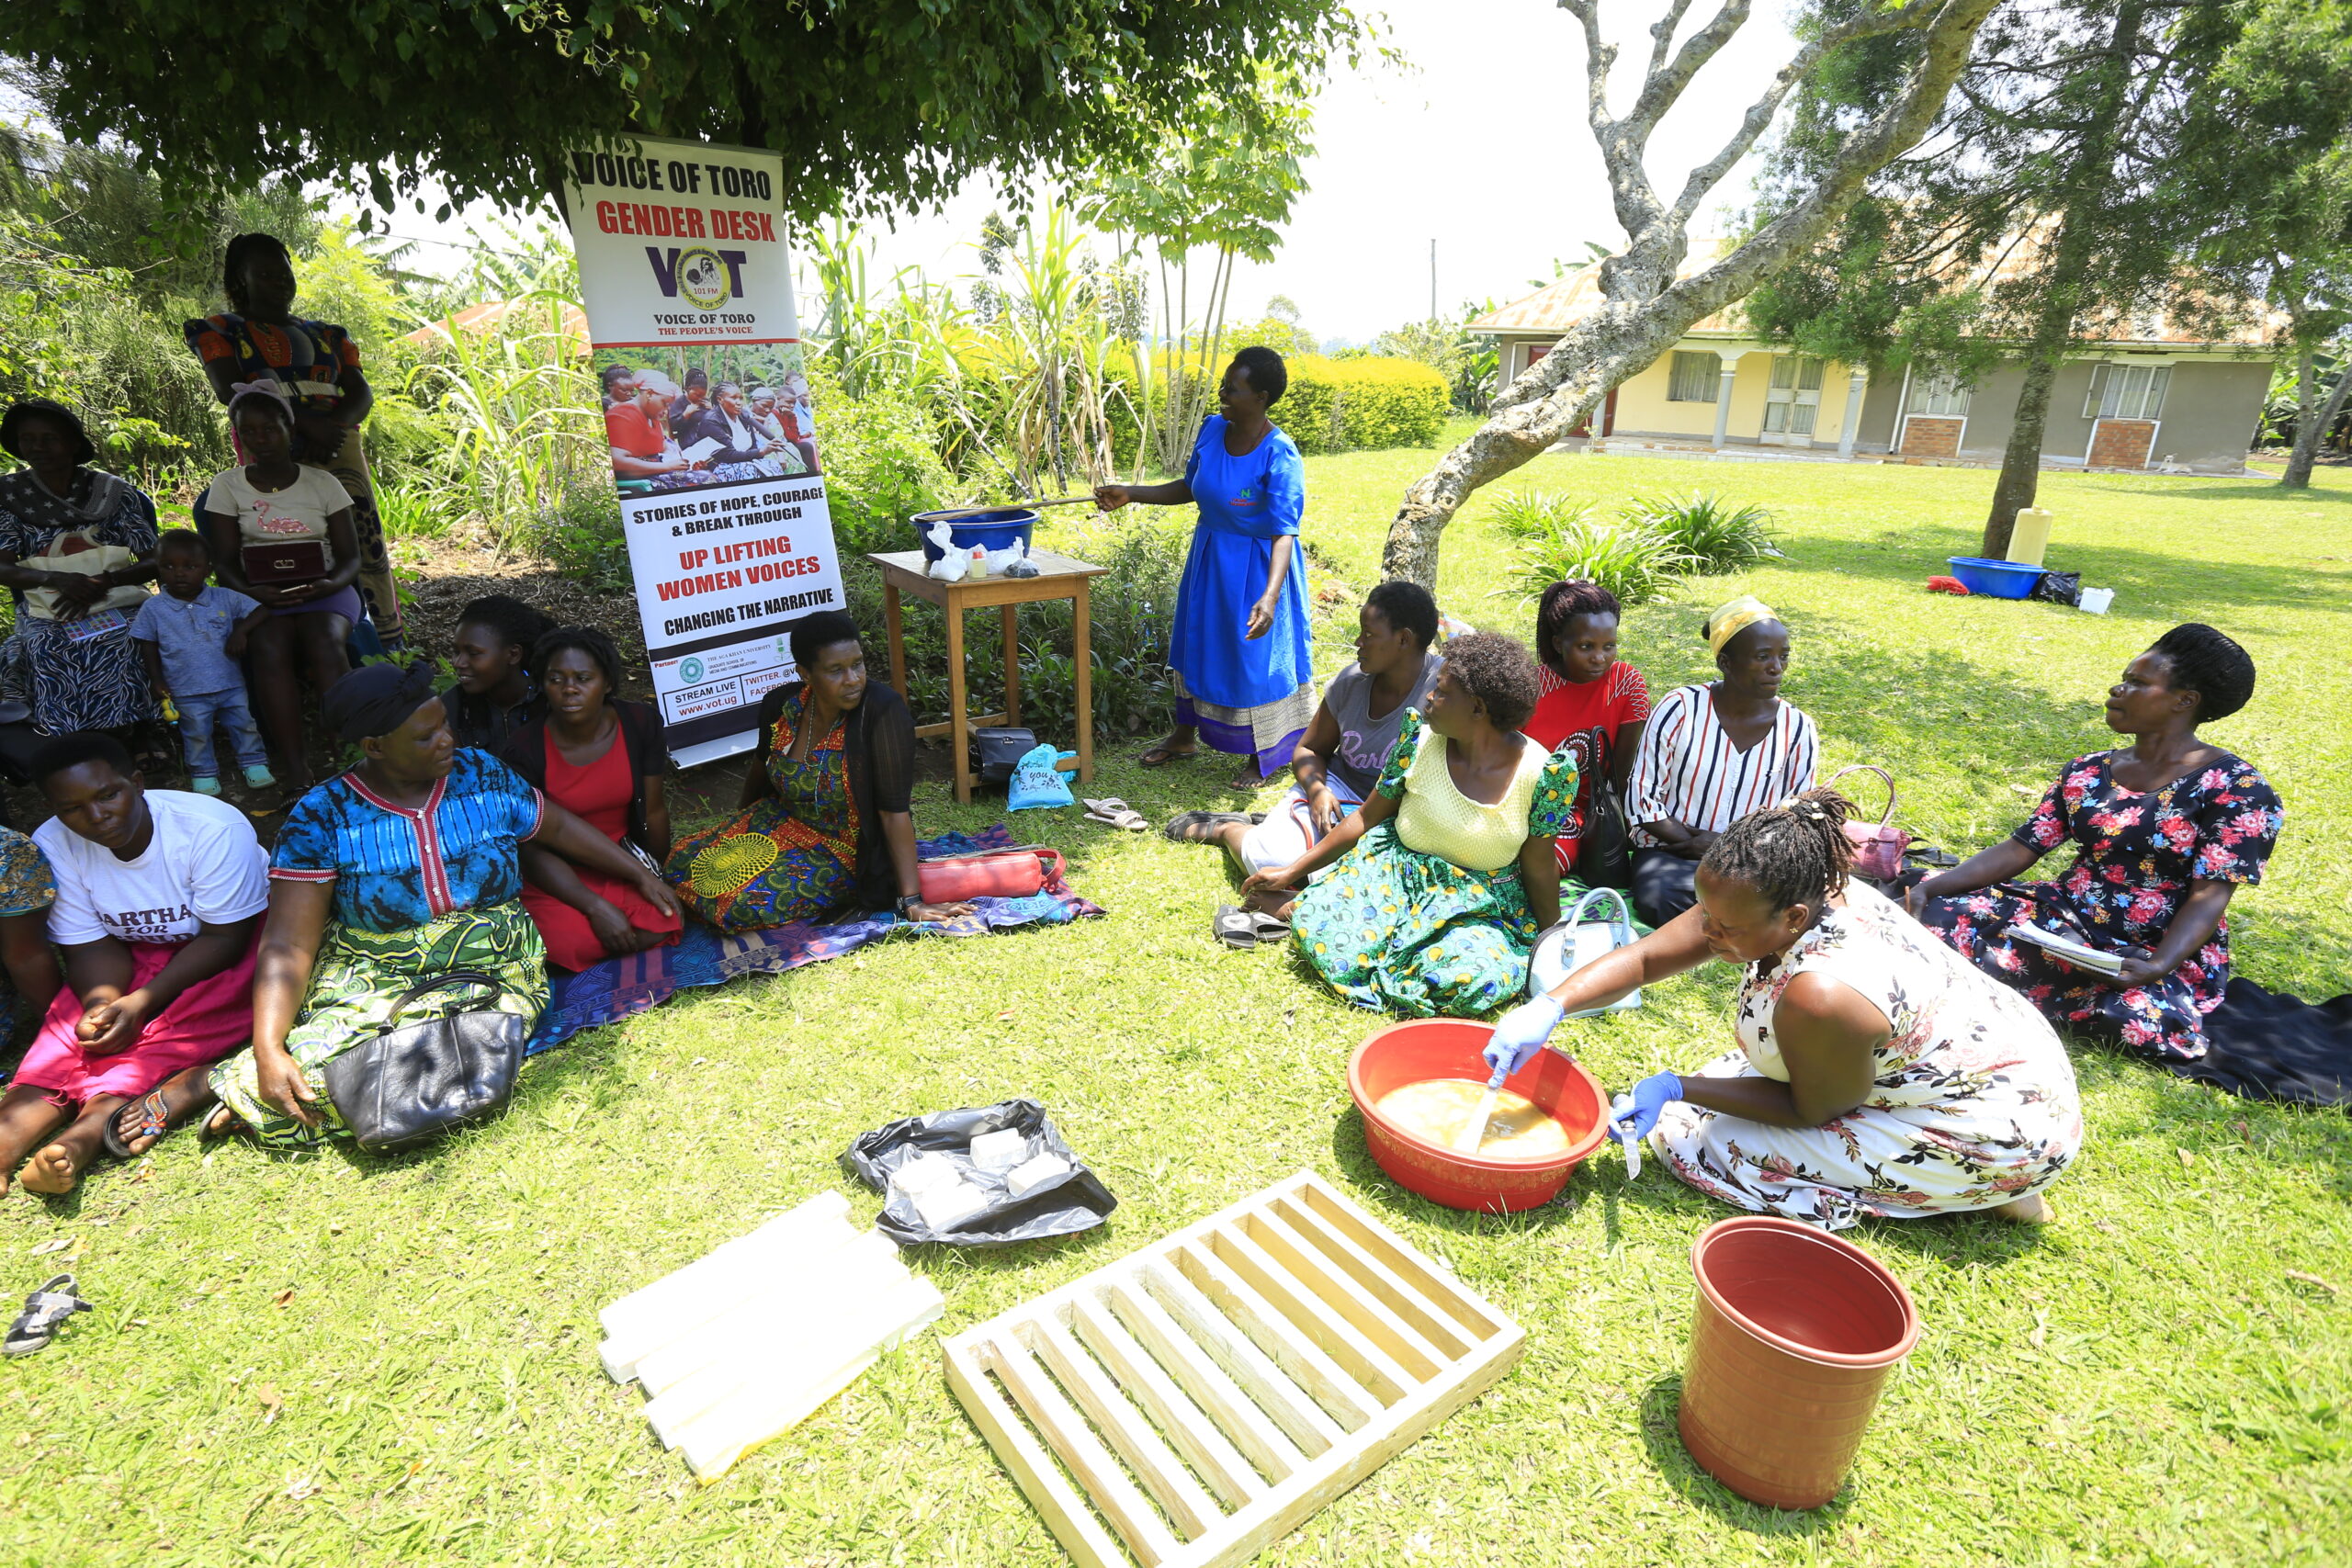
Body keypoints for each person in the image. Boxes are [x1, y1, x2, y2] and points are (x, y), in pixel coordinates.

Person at [1486, 791, 2084, 1229]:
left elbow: (1815, 1107)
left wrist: (1676, 1086)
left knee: (1712, 1144)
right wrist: (1549, 1004)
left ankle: (1999, 1182)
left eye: (1723, 928)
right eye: (1705, 915)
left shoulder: (1821, 992)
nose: (1706, 933)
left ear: (1792, 920)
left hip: (1999, 1115)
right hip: (1966, 1058)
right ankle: (1984, 1177)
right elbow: (1643, 959)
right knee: (1715, 1099)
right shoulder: (1783, 887)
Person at [200, 664, 682, 1148]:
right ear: (375, 747)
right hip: (376, 971)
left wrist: (638, 874)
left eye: (445, 725)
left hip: (493, 963)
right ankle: (222, 1082)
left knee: (463, 1054)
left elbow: (555, 827)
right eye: (427, 736)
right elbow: (288, 942)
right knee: (315, 1075)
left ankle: (228, 1094)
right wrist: (267, 1047)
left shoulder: (482, 773)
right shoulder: (322, 818)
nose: (447, 739)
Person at [1908, 624, 2282, 1062]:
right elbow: (2020, 848)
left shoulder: (2238, 790)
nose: (2117, 689)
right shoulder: (2088, 771)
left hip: (2150, 943)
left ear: (2185, 700)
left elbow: (2209, 895)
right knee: (1933, 915)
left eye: (2138, 683)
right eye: (2125, 678)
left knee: (2137, 1019)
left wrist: (2160, 965)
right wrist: (1930, 888)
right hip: (2063, 915)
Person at [1243, 632, 1577, 1017]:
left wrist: (1551, 937)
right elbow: (1367, 818)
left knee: (1471, 979)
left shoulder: (1543, 774)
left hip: (1478, 903)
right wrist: (1291, 870)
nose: (1428, 699)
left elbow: (1539, 864)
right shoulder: (1416, 742)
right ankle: (1302, 904)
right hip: (1393, 877)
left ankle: (1306, 909)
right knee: (1335, 943)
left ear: (1478, 709)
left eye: (1441, 692)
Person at [0, 735, 266, 1195]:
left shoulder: (210, 828)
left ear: (137, 782)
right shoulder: (53, 843)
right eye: (73, 808)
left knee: (158, 1041)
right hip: (129, 955)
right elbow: (88, 948)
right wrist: (103, 1004)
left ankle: (75, 1147)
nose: (97, 816)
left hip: (224, 952)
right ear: (54, 809)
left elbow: (227, 938)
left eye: (109, 795)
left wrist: (141, 1002)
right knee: (68, 1039)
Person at [664, 611, 974, 931]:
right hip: (777, 822)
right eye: (835, 670)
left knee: (742, 904)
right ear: (806, 673)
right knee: (681, 859)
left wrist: (912, 901)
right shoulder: (781, 707)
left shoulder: (882, 712)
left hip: (838, 847)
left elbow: (893, 812)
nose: (853, 679)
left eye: (857, 664)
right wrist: (735, 831)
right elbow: (760, 770)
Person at [1095, 346, 1311, 787]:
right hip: (1210, 558)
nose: (1223, 394)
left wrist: (1270, 596)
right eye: (1224, 385)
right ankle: (1183, 736)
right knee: (1196, 645)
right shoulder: (1213, 430)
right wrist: (1131, 493)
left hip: (1258, 566)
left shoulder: (1280, 452)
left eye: (1234, 389)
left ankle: (1264, 752)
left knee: (1251, 657)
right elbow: (1191, 487)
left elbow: (1284, 531)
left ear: (1262, 397)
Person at [1170, 581, 1442, 918]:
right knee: (1272, 861)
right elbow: (1310, 749)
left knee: (1388, 878)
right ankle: (1231, 830)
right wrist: (1318, 791)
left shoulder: (1442, 692)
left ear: (1403, 639)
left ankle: (1294, 877)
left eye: (1369, 635)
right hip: (1339, 796)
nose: (1358, 643)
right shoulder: (1351, 683)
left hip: (1399, 812)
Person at [183, 232, 405, 646]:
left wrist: (330, 430)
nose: (278, 281)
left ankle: (377, 644)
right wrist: (301, 425)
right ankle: (295, 624)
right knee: (284, 534)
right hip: (269, 447)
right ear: (240, 280)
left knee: (358, 540)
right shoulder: (220, 330)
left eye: (283, 271)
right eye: (264, 273)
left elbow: (360, 392)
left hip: (339, 447)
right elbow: (228, 387)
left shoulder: (329, 334)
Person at [198, 384, 363, 791]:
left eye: (269, 429)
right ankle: (294, 765)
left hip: (326, 589)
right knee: (268, 647)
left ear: (289, 428)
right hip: (261, 594)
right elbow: (223, 560)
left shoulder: (322, 483)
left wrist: (327, 584)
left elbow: (350, 557)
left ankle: (350, 757)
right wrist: (254, 594)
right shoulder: (227, 486)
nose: (260, 440)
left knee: (325, 641)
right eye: (249, 432)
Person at [1623, 594, 1816, 927]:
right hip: (1674, 851)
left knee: (1802, 894)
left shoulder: (1798, 728)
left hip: (1753, 856)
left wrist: (1727, 848)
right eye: (1762, 657)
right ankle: (1745, 920)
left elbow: (1796, 816)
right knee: (1660, 894)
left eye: (1783, 656)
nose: (1777, 667)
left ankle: (1732, 916)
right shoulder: (1681, 708)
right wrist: (1693, 844)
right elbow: (1642, 800)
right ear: (1726, 662)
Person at [501, 626, 683, 970]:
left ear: (608, 683)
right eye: (556, 679)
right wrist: (594, 906)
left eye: (583, 678)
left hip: (622, 861)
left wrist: (657, 874)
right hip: (559, 874)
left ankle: (611, 936)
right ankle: (599, 932)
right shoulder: (524, 749)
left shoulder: (639, 722)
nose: (569, 689)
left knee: (666, 915)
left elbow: (654, 809)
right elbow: (530, 847)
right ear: (543, 685)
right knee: (567, 943)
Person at [0, 400, 162, 739]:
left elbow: (154, 560)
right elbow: (3, 568)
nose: (37, 448)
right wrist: (58, 579)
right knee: (46, 644)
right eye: (28, 439)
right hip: (48, 604)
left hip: (116, 594)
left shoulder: (113, 493)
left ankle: (139, 732)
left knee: (130, 635)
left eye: (49, 438)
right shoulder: (9, 496)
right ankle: (77, 742)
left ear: (74, 444)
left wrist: (105, 581)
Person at [129, 531, 275, 795]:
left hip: (230, 683)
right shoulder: (154, 608)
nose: (179, 573)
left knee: (243, 724)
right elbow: (146, 644)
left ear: (207, 570)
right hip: (185, 689)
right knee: (195, 733)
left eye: (190, 566)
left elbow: (261, 610)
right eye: (168, 567)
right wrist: (156, 679)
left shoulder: (225, 598)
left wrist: (240, 631)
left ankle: (254, 763)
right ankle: (204, 773)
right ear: (158, 569)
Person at [1523, 580, 1650, 878]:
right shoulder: (1531, 687)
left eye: (1609, 646)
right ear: (1558, 643)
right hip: (1526, 803)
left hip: (1589, 811)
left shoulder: (1626, 683)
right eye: (1585, 647)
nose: (1599, 658)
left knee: (1542, 868)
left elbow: (1618, 777)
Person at [444, 595, 551, 752]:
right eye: (456, 652)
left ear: (513, 654)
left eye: (473, 653)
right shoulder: (452, 708)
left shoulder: (550, 702)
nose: (458, 663)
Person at [605, 370, 717, 490]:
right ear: (649, 394)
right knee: (707, 480)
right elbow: (617, 461)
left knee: (709, 476)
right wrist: (667, 467)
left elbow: (662, 448)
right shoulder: (624, 415)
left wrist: (685, 463)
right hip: (641, 480)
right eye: (665, 403)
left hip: (658, 471)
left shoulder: (651, 417)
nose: (666, 410)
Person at [682, 381, 799, 480]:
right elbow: (729, 455)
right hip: (718, 466)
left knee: (772, 465)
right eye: (734, 398)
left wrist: (763, 454)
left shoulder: (743, 415)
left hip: (742, 461)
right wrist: (763, 451)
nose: (739, 402)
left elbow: (753, 446)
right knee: (750, 471)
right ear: (720, 399)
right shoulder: (711, 421)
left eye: (740, 398)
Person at [668, 367, 712, 439]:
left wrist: (712, 410)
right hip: (690, 443)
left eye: (703, 395)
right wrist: (686, 414)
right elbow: (673, 427)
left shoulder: (705, 403)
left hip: (708, 441)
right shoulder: (679, 403)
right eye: (697, 395)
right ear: (688, 389)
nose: (700, 398)